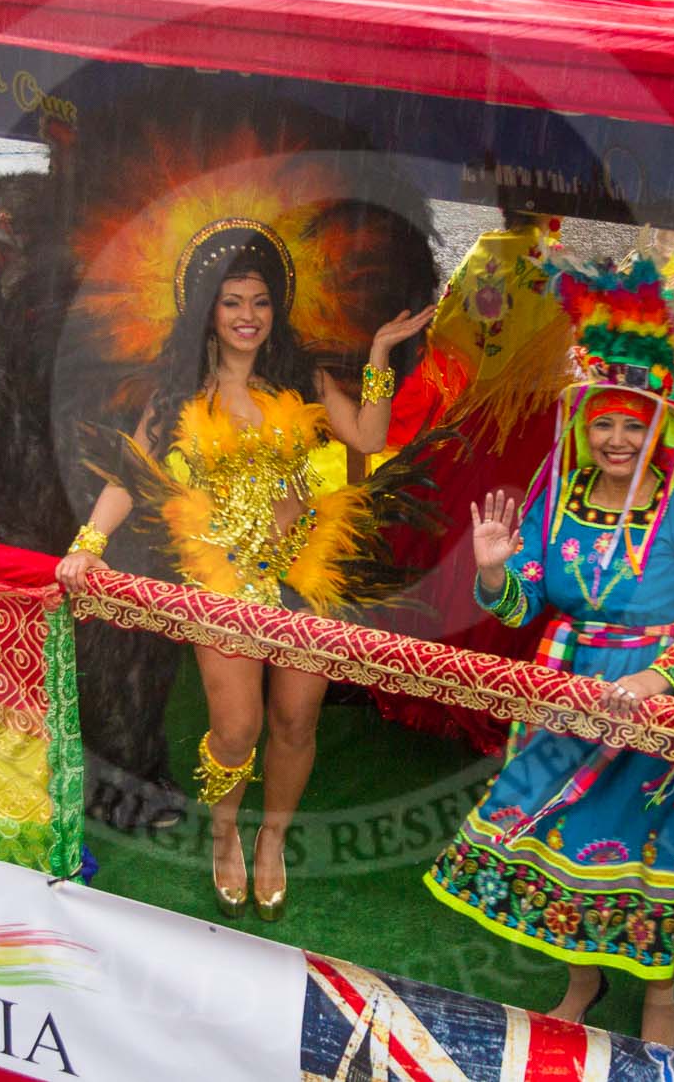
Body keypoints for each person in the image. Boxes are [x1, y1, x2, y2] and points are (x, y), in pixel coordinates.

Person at [54, 219, 434, 920]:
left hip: (303, 570)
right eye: (233, 302)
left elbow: (371, 437)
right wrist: (88, 543)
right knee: (236, 728)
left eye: (260, 301)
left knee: (295, 719)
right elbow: (127, 478)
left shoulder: (303, 376)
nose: (248, 317)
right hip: (222, 580)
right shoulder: (175, 394)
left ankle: (272, 840)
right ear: (208, 309)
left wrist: (380, 351)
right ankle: (225, 831)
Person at [425, 258, 674, 1046]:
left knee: (653, 853)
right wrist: (499, 566)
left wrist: (658, 676)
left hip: (663, 712)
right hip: (571, 697)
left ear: (659, 427)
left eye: (631, 424)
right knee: (563, 839)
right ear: (582, 425)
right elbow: (524, 601)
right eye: (602, 422)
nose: (614, 438)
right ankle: (582, 977)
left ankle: (660, 999)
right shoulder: (559, 499)